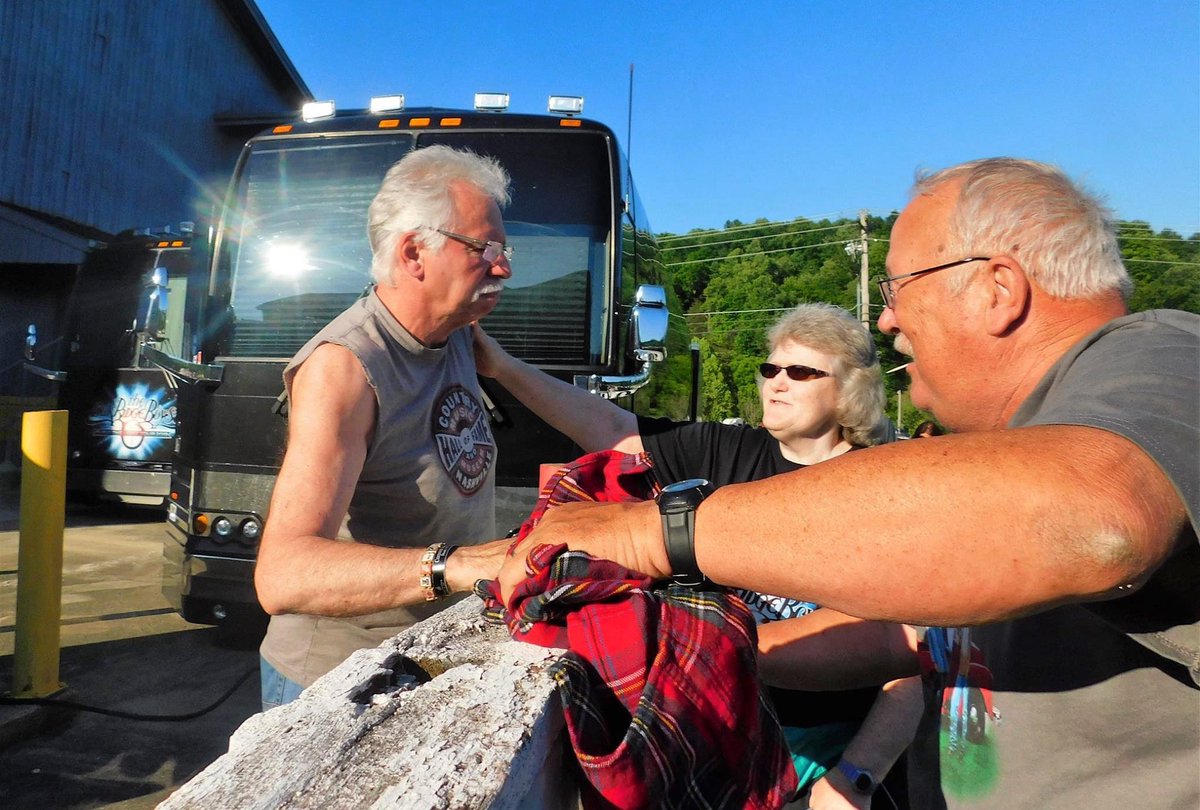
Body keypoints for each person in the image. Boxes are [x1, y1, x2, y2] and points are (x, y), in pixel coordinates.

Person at [497, 158, 1199, 809]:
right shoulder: (1018, 435)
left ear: (998, 289)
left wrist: (653, 534)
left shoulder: (1166, 354)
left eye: (897, 289)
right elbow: (917, 637)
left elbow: (1094, 518)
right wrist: (711, 648)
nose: (886, 318)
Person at [475, 303, 924, 807]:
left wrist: (855, 777)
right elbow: (610, 428)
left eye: (800, 372)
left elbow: (915, 655)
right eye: (770, 368)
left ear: (850, 390)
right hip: (721, 729)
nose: (776, 382)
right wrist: (501, 367)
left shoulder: (886, 485)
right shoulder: (724, 451)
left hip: (830, 751)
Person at [253, 145, 513, 710]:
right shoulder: (344, 367)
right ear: (415, 252)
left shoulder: (458, 337)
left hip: (429, 655)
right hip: (338, 682)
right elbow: (282, 574)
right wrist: (460, 565)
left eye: (504, 248)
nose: (504, 267)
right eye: (485, 248)